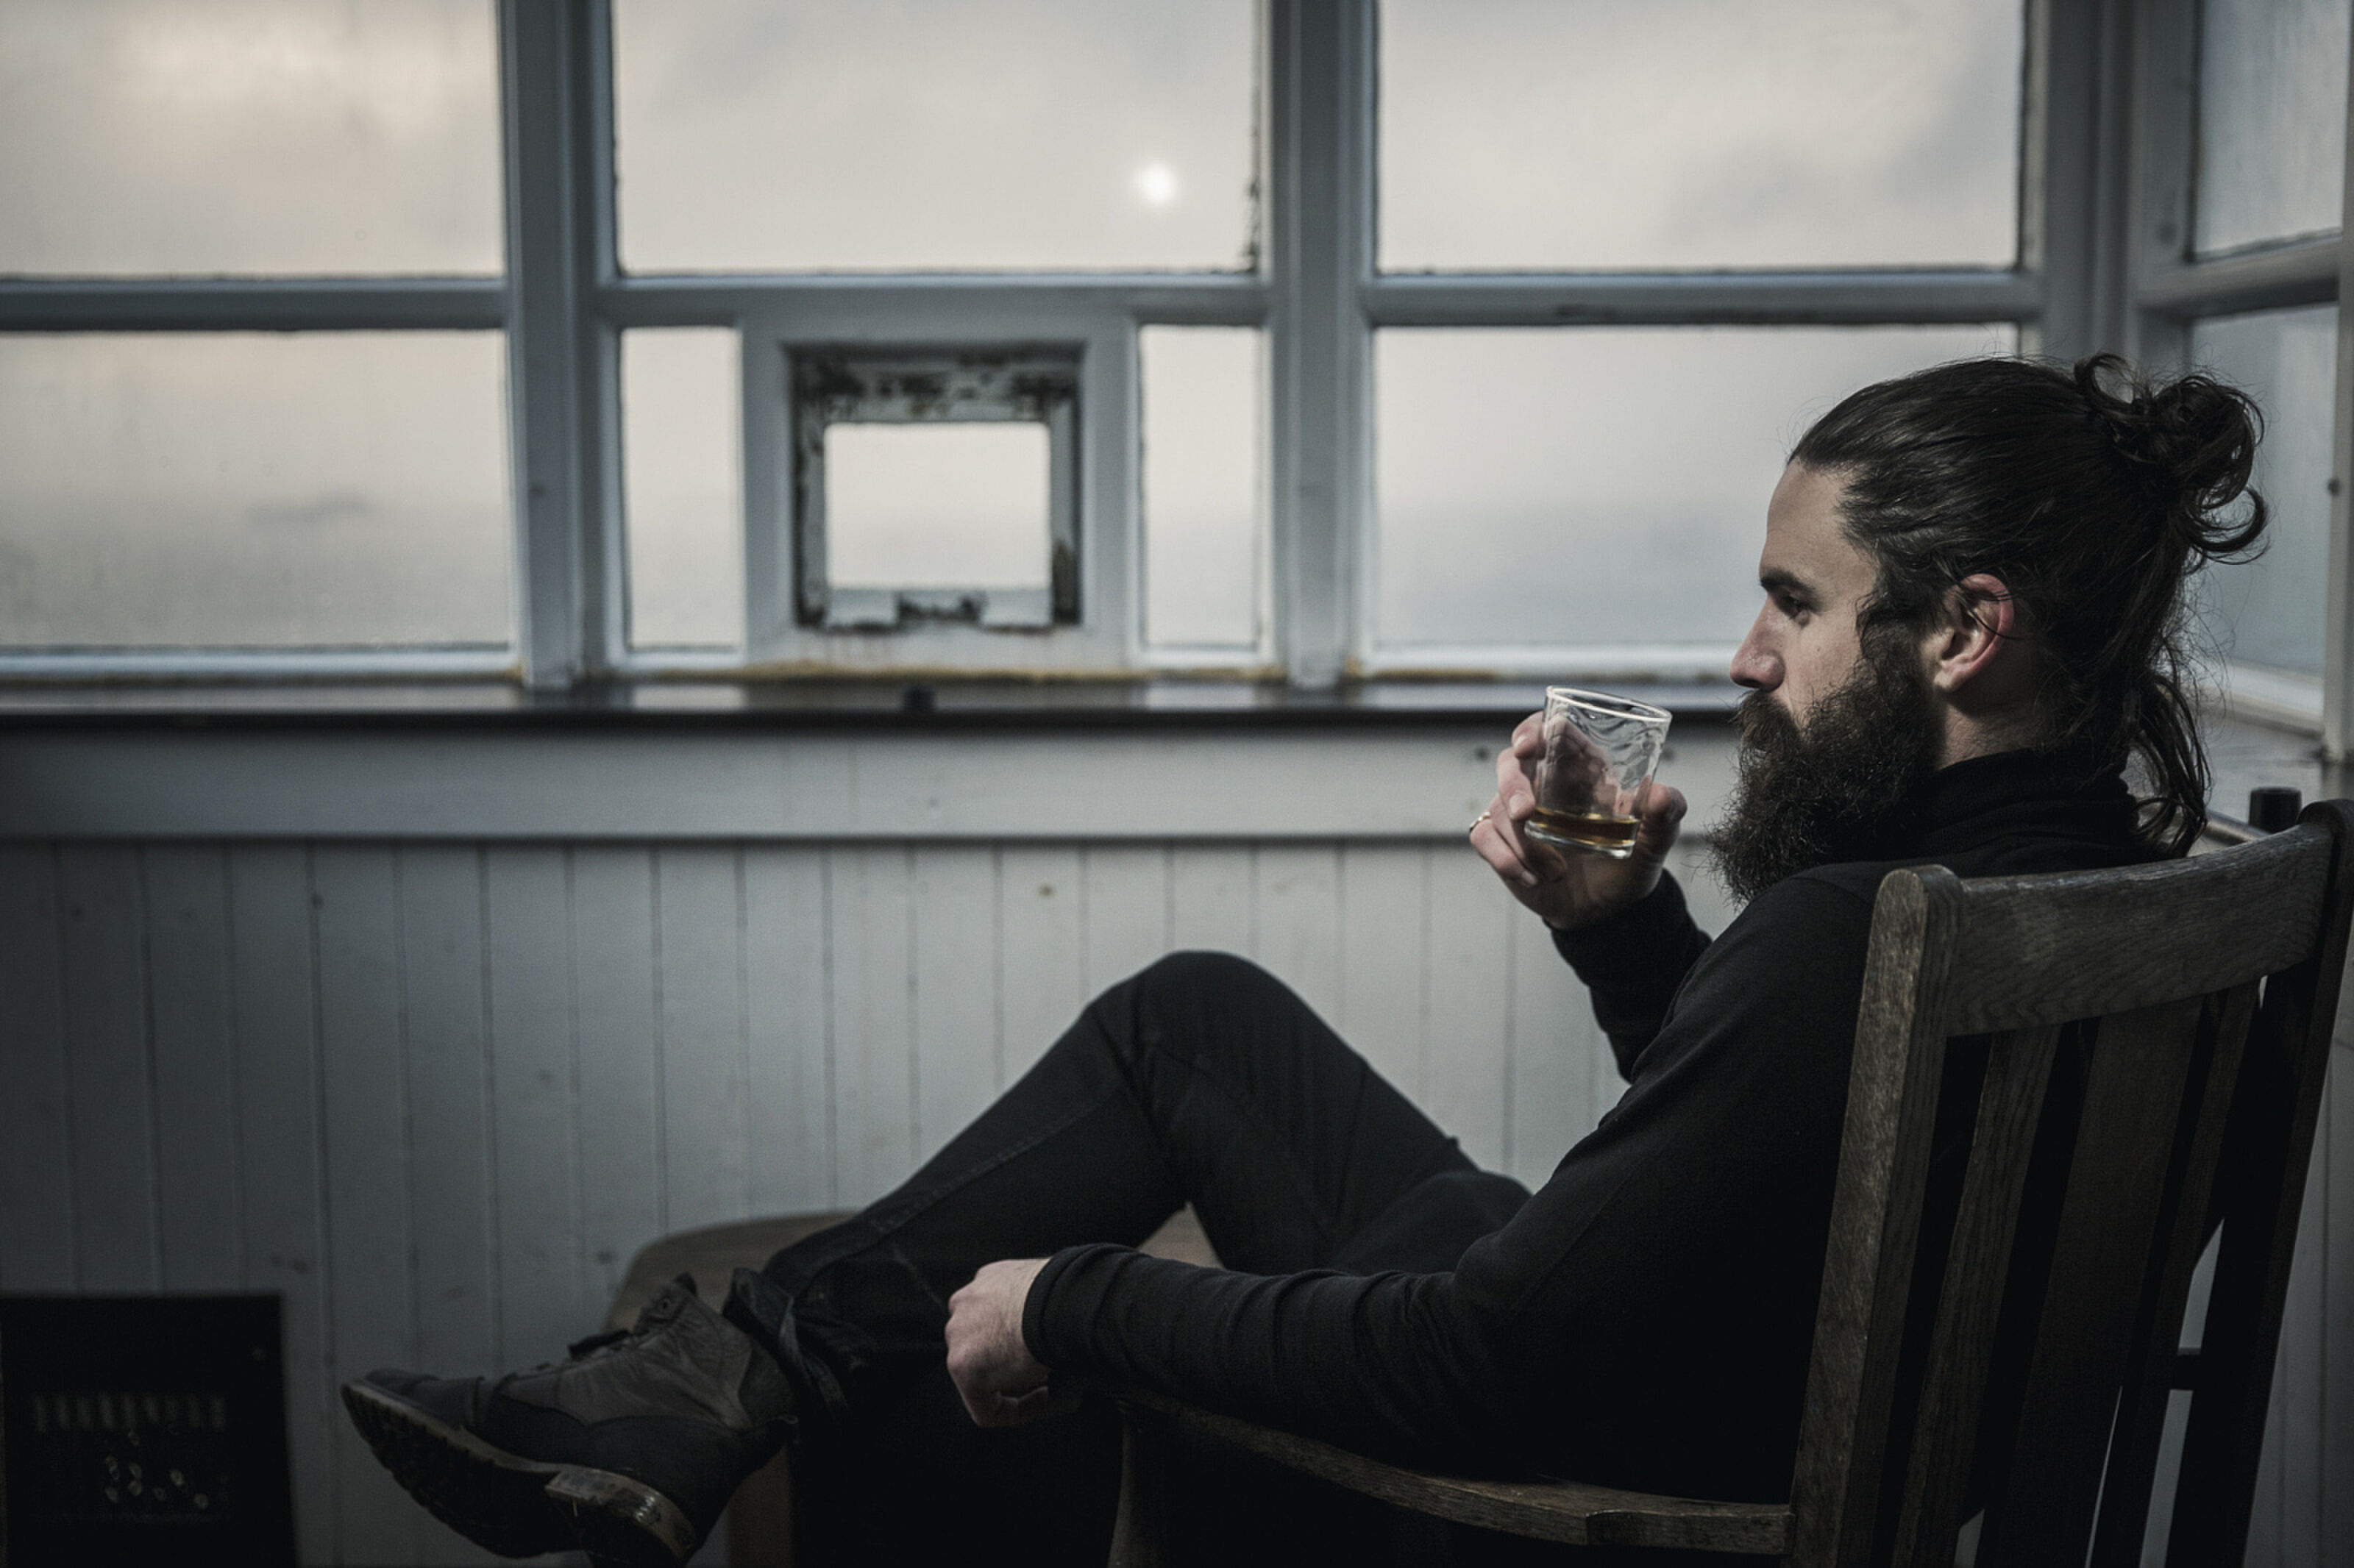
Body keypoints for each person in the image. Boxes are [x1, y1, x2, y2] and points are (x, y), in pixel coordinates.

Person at [341, 353, 2267, 1567]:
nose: (1751, 660)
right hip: (1708, 1373)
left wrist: (1076, 1296)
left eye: (1794, 601)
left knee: (1014, 1317)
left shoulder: (1867, 928)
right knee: (1199, 1014)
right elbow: (1809, 1175)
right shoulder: (2098, 902)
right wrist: (1627, 936)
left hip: (1593, 1436)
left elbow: (1485, 1357)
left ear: (1966, 628)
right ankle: (711, 1385)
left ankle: (694, 1394)